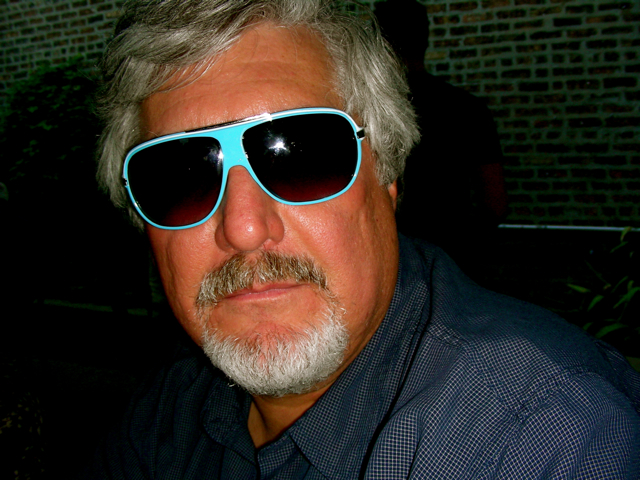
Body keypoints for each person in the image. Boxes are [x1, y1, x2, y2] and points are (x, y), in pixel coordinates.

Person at [84, 1, 640, 478]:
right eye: (180, 176)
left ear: (388, 177)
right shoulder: (167, 410)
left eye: (302, 155)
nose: (244, 227)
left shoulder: (546, 438)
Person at [375, 0, 508, 279]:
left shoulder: (364, 113)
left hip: (388, 263)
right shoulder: (468, 109)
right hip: (454, 262)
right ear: (426, 38)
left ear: (378, 42)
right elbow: (495, 205)